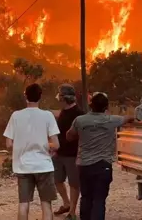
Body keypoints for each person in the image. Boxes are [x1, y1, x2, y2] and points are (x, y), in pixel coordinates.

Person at [67, 92, 135, 220]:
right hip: (103, 166)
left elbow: (69, 136)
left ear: (90, 105)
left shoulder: (80, 120)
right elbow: (128, 118)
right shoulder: (112, 120)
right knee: (99, 200)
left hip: (84, 165)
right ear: (106, 107)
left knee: (86, 197)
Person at [4, 83, 60, 220]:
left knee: (23, 204)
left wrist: (21, 145)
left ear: (25, 97)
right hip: (44, 166)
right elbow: (56, 145)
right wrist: (47, 147)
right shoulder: (48, 116)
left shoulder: (16, 116)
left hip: (23, 167)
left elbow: (9, 144)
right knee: (46, 204)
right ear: (40, 97)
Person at [52, 84, 83, 220]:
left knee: (74, 183)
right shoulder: (63, 112)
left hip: (73, 155)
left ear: (64, 98)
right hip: (59, 153)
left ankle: (72, 212)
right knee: (57, 179)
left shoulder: (79, 114)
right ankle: (66, 203)